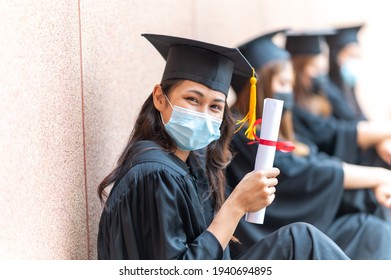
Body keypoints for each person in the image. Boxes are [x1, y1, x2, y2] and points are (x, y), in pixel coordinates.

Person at [96, 33, 350, 260]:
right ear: (160, 98)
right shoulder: (155, 174)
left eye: (215, 106)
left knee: (303, 240)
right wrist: (236, 206)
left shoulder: (189, 164)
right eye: (192, 99)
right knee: (301, 242)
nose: (204, 114)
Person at [227, 29, 391, 259]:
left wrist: (375, 185)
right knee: (371, 230)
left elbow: (314, 157)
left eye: (290, 84)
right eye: (283, 83)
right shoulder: (242, 132)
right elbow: (304, 172)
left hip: (301, 219)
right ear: (260, 85)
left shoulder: (277, 126)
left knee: (371, 221)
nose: (289, 92)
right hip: (271, 235)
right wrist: (381, 177)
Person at [325, 24, 391, 166]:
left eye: (358, 57)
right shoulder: (328, 91)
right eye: (350, 56)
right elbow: (352, 128)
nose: (355, 62)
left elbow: (363, 120)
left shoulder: (348, 88)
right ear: (335, 56)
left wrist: (381, 140)